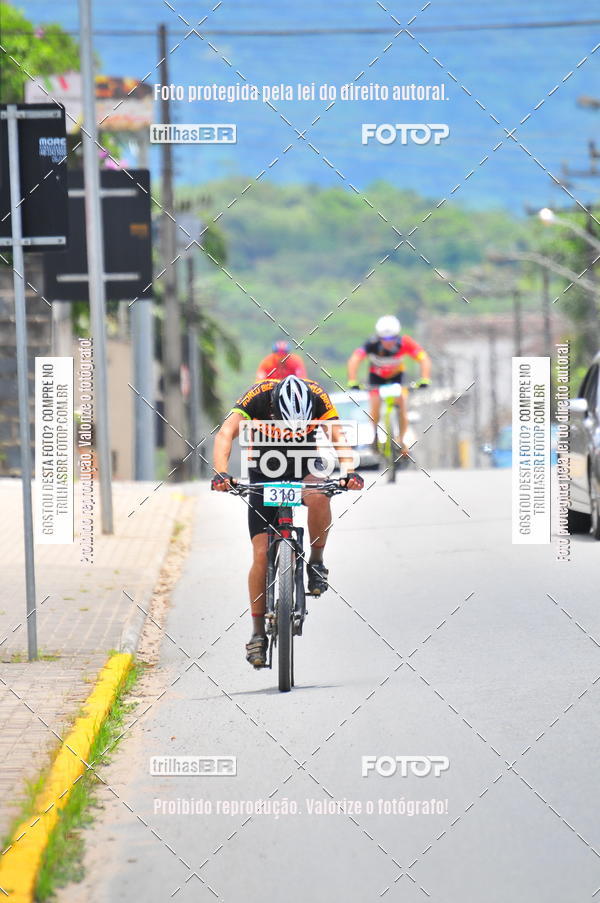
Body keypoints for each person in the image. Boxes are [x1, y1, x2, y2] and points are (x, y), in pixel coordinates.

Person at [211, 375, 363, 668]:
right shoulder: (258, 395)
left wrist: (349, 471)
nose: (291, 432)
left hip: (304, 466)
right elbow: (225, 433)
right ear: (273, 409)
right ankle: (257, 634)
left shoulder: (317, 396)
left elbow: (337, 437)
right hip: (263, 471)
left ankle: (316, 562)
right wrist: (221, 473)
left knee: (320, 496)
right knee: (259, 554)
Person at [346, 315, 431, 453]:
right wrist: (352, 380)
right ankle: (374, 435)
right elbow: (355, 359)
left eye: (392, 338)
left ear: (397, 336)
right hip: (376, 379)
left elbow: (423, 358)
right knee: (375, 406)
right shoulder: (372, 343)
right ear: (379, 337)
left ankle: (401, 439)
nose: (388, 342)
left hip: (397, 378)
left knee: (402, 404)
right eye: (384, 339)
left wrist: (425, 378)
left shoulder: (405, 342)